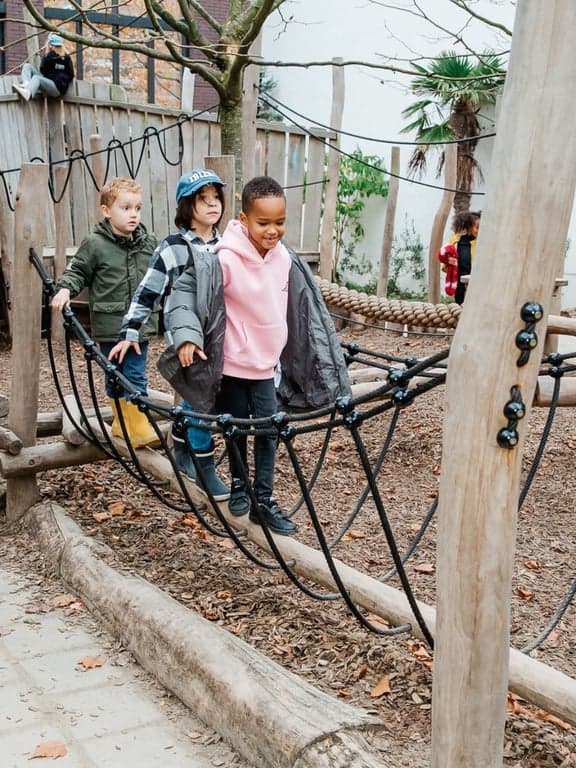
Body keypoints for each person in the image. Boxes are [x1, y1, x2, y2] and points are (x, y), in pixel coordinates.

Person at [158, 175, 351, 536]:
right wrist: (186, 337)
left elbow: (303, 306)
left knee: (268, 431)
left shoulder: (285, 259)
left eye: (280, 222)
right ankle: (238, 484)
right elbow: (184, 294)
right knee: (235, 429)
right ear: (244, 220)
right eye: (263, 223)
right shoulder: (224, 259)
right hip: (233, 366)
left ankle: (263, 500)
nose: (272, 230)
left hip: (266, 367)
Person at [107, 169, 230, 500]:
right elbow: (148, 292)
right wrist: (130, 331)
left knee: (208, 396)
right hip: (187, 337)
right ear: (187, 205)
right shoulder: (173, 247)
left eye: (216, 198)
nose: (212, 204)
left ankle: (181, 441)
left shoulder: (228, 245)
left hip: (222, 335)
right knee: (202, 397)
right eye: (203, 199)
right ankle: (203, 467)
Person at [51, 177, 158, 446]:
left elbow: (161, 274)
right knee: (113, 373)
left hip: (139, 325)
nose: (133, 214)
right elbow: (78, 271)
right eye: (125, 208)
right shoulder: (95, 244)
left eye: (137, 208)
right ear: (106, 210)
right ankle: (122, 422)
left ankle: (138, 424)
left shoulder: (148, 243)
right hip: (110, 324)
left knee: (134, 373)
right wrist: (65, 289)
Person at [13, 33, 74, 102]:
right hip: (46, 81)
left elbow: (71, 75)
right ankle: (27, 85)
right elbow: (43, 70)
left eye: (58, 46)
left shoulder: (66, 58)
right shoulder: (49, 56)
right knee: (27, 66)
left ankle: (28, 93)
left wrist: (59, 78)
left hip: (57, 88)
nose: (57, 48)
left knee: (37, 78)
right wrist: (48, 56)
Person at [437, 210, 481, 305]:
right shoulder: (456, 240)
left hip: (476, 278)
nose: (479, 230)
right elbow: (444, 253)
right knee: (459, 302)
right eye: (477, 227)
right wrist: (448, 260)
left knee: (474, 302)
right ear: (468, 226)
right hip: (459, 278)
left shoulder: (481, 241)